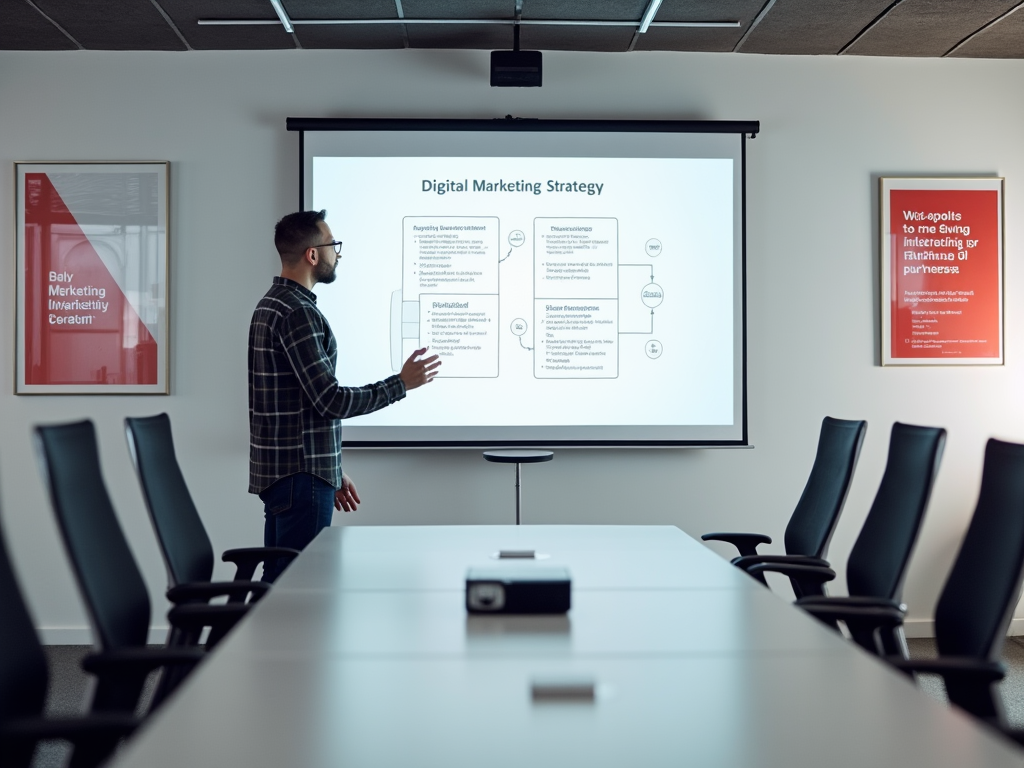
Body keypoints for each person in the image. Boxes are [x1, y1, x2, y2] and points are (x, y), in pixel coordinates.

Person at [248, 209, 439, 582]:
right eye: (333, 245)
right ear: (312, 255)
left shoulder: (271, 304)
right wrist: (401, 384)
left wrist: (330, 467)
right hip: (301, 480)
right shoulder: (297, 313)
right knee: (299, 594)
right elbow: (329, 400)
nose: (338, 253)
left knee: (281, 588)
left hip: (295, 474)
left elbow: (295, 405)